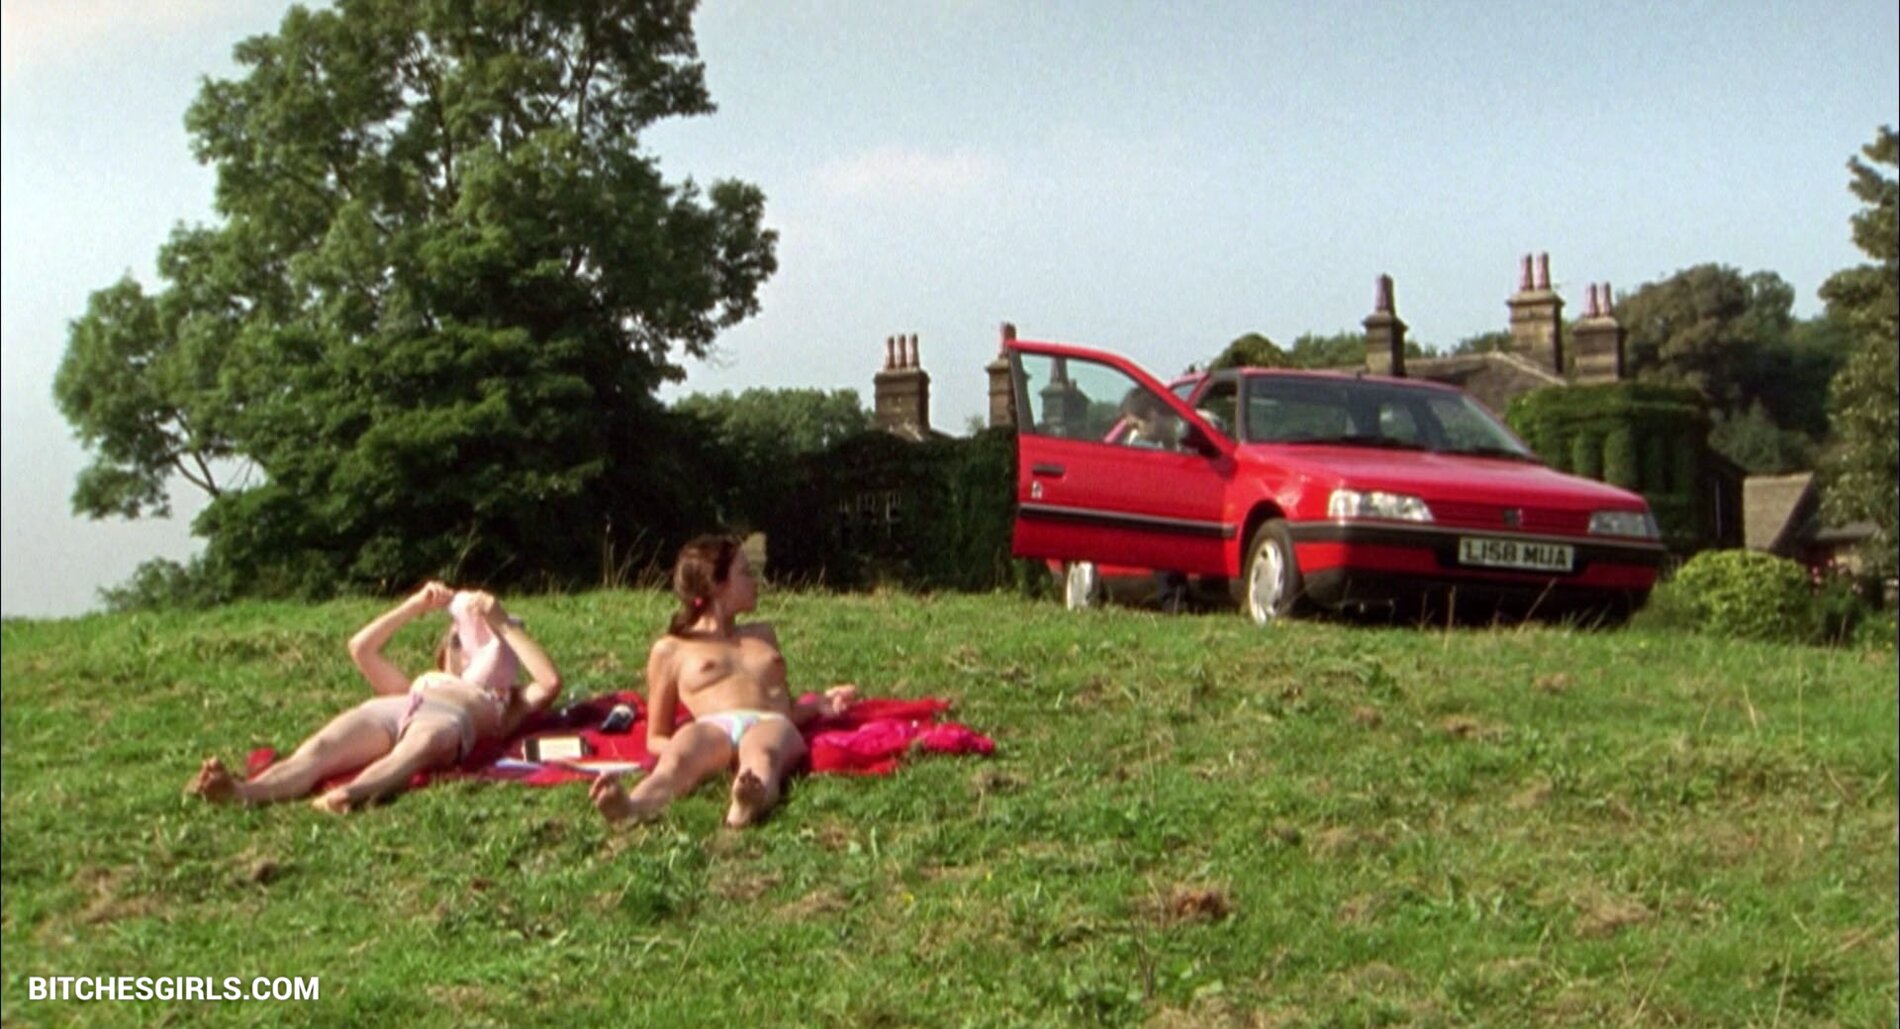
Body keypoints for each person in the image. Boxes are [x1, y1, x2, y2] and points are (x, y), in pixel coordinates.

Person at [186, 582, 562, 813]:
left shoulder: (504, 701)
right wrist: (414, 606)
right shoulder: (421, 682)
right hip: (398, 707)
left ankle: (351, 794)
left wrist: (501, 623)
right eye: (458, 641)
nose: (468, 650)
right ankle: (243, 792)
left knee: (417, 747)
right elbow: (360, 647)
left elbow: (549, 682)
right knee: (319, 749)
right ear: (442, 655)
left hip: (451, 717)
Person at [590, 535, 857, 828]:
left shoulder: (763, 634)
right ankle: (631, 807)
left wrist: (820, 704)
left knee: (762, 756)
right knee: (675, 764)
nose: (755, 581)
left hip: (769, 721)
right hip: (713, 727)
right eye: (744, 573)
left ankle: (747, 804)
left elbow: (785, 706)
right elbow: (656, 737)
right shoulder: (671, 649)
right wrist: (695, 754)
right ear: (716, 585)